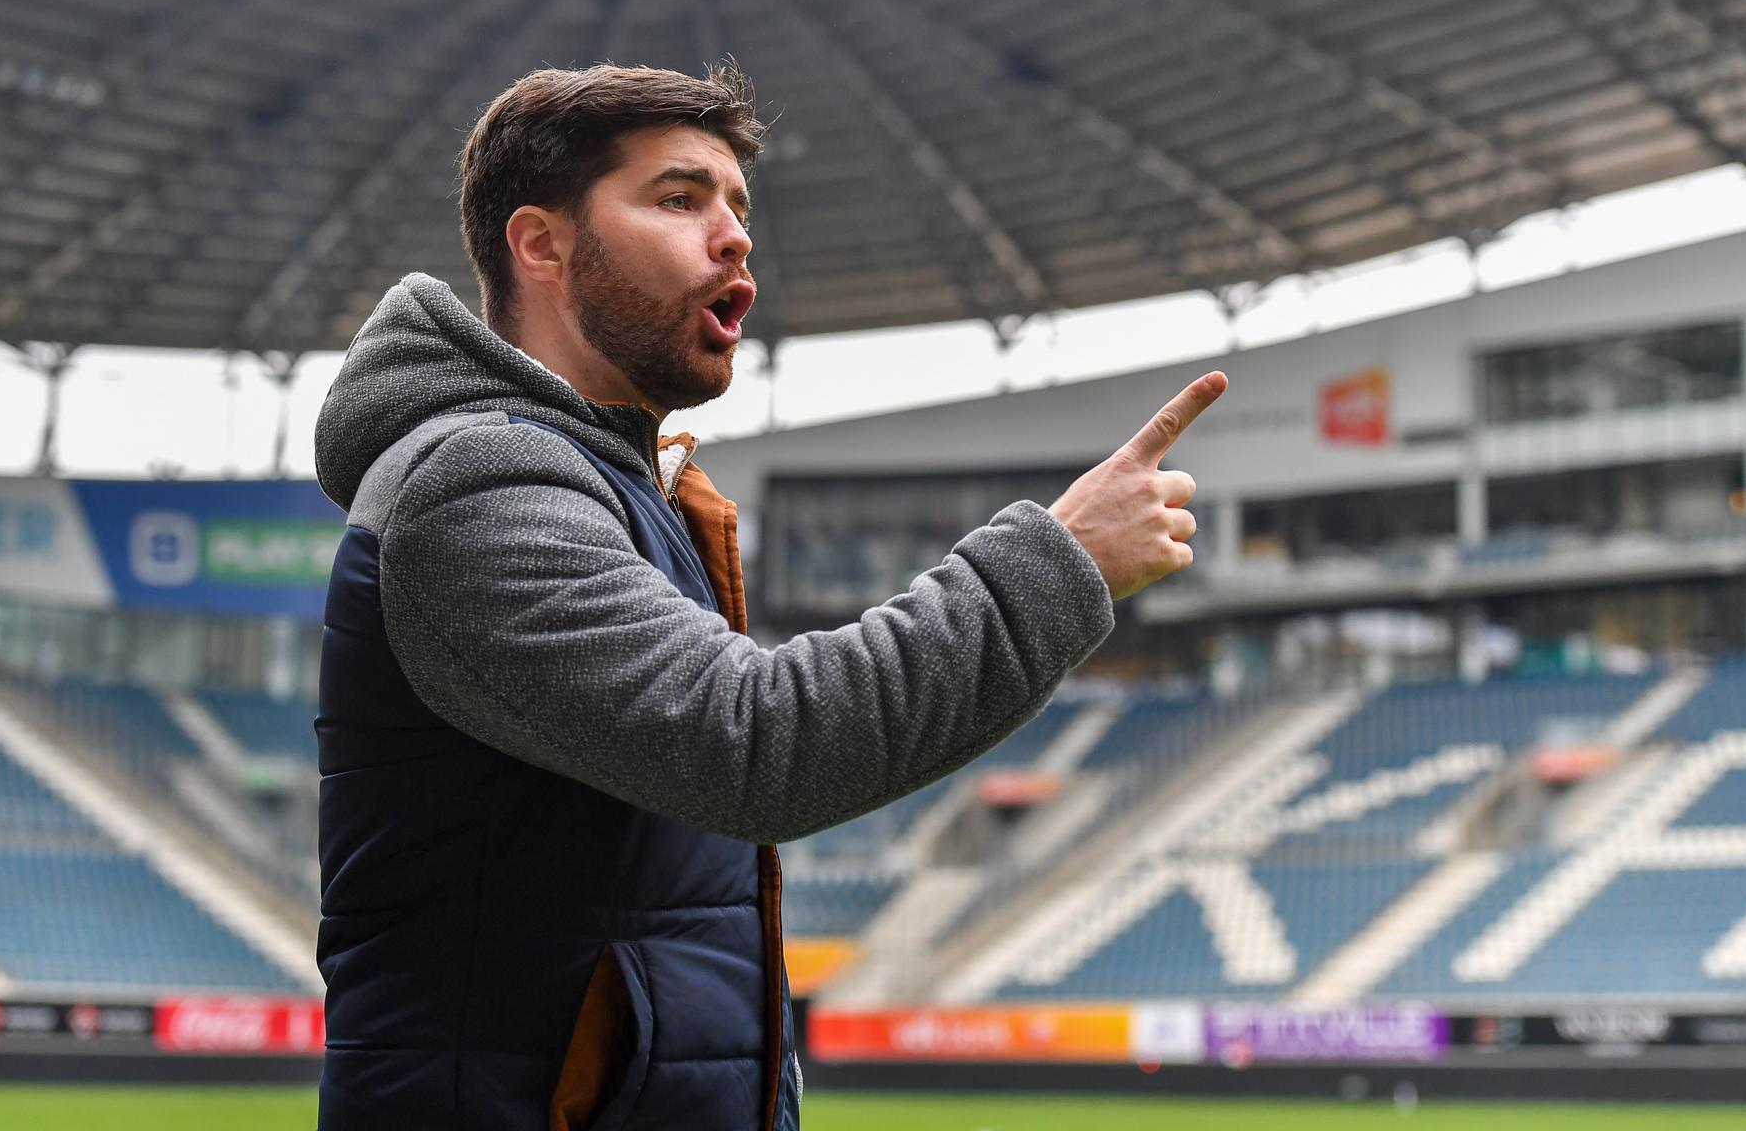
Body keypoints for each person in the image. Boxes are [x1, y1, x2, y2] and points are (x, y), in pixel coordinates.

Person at [310, 60, 1224, 1131]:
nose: (736, 234)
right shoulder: (476, 483)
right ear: (541, 243)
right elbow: (754, 742)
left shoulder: (619, 488)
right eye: (680, 197)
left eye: (739, 206)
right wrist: (1059, 563)